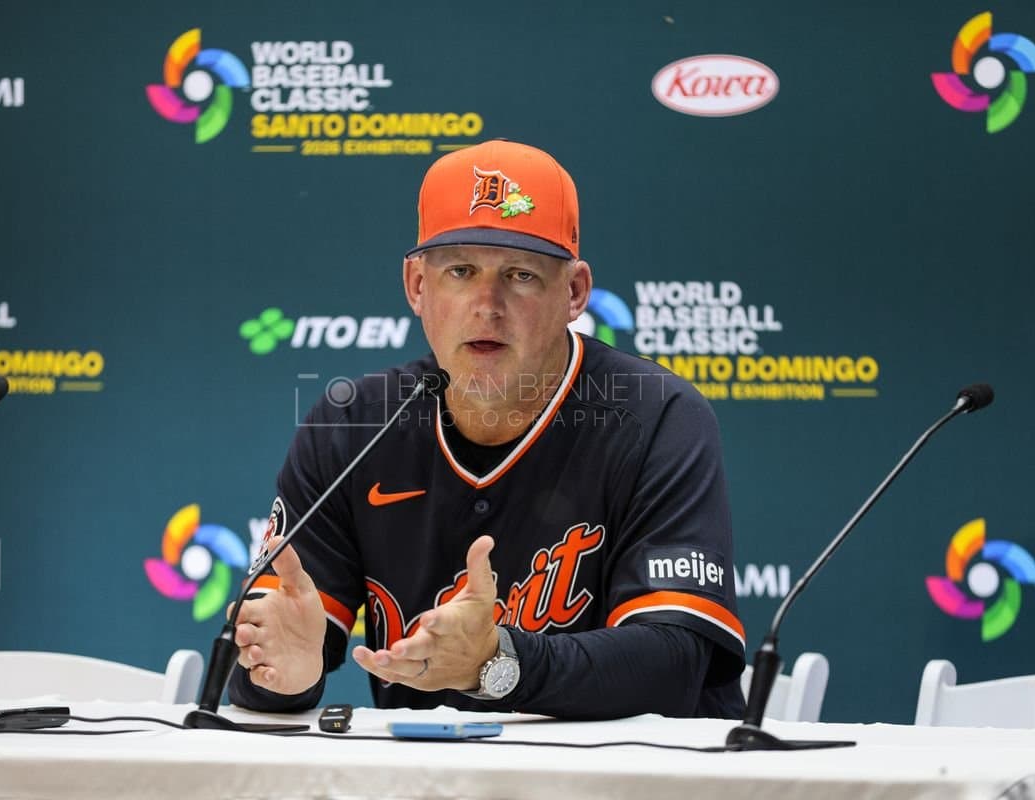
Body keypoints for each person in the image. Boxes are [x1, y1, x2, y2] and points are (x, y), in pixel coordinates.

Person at [228, 140, 746, 719]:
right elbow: (265, 662)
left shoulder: (656, 417)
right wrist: (284, 674)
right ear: (417, 286)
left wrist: (498, 663)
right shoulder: (353, 424)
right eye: (460, 271)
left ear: (574, 292)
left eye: (521, 275)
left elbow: (675, 663)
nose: (487, 304)